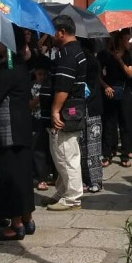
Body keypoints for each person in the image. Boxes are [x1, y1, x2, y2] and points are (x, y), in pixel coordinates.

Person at [0, 40, 35, 239]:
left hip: (9, 130)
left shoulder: (8, 69)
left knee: (11, 175)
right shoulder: (22, 66)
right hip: (22, 126)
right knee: (23, 174)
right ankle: (27, 218)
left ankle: (15, 224)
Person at [47, 15, 87, 213]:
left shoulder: (68, 55)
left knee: (65, 153)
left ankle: (72, 196)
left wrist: (55, 110)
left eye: (53, 31)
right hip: (73, 109)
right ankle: (63, 190)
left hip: (66, 111)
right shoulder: (75, 51)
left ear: (61, 32)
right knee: (61, 152)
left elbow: (63, 85)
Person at [100, 29, 132, 167]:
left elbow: (130, 73)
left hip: (124, 90)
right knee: (109, 122)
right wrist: (105, 86)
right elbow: (99, 74)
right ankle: (107, 153)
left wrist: (119, 60)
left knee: (126, 121)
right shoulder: (104, 54)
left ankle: (125, 153)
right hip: (109, 89)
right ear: (120, 39)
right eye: (127, 39)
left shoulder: (128, 55)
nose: (129, 42)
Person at [80, 38, 103, 193]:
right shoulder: (90, 60)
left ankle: (90, 180)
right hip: (91, 107)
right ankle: (93, 180)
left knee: (87, 146)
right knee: (90, 145)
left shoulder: (86, 61)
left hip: (88, 106)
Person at [30, 53, 54, 191]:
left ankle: (51, 174)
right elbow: (29, 105)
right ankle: (40, 177)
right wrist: (39, 97)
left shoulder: (50, 85)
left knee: (48, 149)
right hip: (36, 120)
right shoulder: (31, 86)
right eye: (39, 74)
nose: (42, 77)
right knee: (38, 150)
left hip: (48, 120)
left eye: (44, 74)